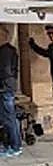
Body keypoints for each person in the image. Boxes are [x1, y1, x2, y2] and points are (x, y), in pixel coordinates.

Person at [0, 27, 21, 157]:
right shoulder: (9, 50)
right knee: (7, 117)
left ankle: (15, 146)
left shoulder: (5, 52)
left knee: (9, 118)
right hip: (7, 86)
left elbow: (6, 71)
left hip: (5, 87)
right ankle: (11, 144)